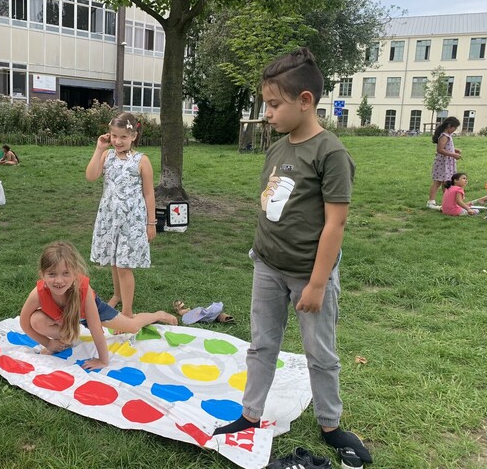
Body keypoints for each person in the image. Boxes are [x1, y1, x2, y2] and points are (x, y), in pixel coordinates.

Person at [212, 49, 372, 465]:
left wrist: (318, 283)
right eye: (266, 103)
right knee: (261, 344)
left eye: (274, 104)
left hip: (309, 273)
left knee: (320, 352)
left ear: (305, 100)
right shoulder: (278, 147)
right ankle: (250, 415)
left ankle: (330, 425)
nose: (267, 113)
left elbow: (335, 224)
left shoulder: (331, 154)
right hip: (267, 264)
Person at [19, 241, 177, 370]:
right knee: (36, 320)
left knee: (133, 327)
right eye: (52, 274)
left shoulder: (83, 291)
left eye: (65, 273)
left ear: (75, 273)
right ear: (42, 275)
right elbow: (24, 324)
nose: (59, 281)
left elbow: (95, 327)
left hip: (90, 311)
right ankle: (65, 341)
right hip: (64, 317)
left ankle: (158, 314)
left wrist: (103, 360)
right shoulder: (37, 293)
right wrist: (48, 343)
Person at [85, 112, 156, 318]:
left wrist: (151, 223)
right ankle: (117, 295)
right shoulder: (106, 156)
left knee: (124, 265)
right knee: (115, 261)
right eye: (114, 136)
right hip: (109, 217)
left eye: (123, 137)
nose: (117, 141)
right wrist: (99, 149)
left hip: (131, 220)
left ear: (134, 136)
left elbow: (149, 193)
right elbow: (91, 176)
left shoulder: (142, 161)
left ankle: (127, 312)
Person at [427, 116, 461, 210]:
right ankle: (431, 202)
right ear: (450, 126)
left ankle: (447, 201)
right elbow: (440, 150)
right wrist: (453, 155)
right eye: (455, 127)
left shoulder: (448, 136)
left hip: (447, 163)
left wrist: (455, 150)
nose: (455, 130)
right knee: (437, 182)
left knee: (446, 183)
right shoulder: (444, 136)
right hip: (443, 163)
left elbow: (446, 148)